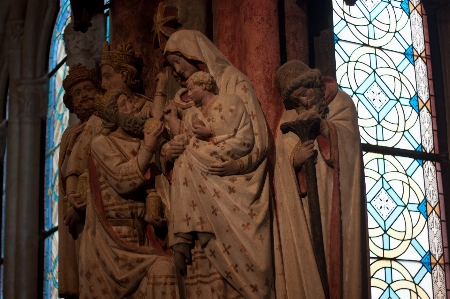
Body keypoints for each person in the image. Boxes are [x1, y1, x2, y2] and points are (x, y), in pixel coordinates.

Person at [162, 30, 273, 299]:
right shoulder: (183, 100)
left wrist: (234, 166)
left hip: (234, 185)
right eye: (171, 66)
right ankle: (184, 241)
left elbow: (256, 139)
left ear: (194, 54)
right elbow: (181, 140)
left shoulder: (235, 83)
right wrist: (168, 150)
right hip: (196, 191)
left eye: (178, 61)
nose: (176, 71)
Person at [273, 60, 369, 299]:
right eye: (297, 98)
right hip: (306, 204)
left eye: (306, 91)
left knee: (338, 252)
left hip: (337, 193)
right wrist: (296, 159)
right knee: (314, 254)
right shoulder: (287, 118)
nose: (306, 100)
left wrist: (325, 128)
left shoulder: (341, 103)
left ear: (315, 84)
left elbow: (350, 148)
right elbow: (282, 164)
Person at [77, 88, 180, 298]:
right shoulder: (101, 143)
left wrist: (158, 220)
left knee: (166, 271)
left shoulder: (142, 142)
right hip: (111, 244)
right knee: (163, 269)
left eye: (130, 102)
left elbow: (159, 186)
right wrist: (149, 146)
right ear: (113, 114)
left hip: (142, 237)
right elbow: (123, 180)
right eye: (124, 104)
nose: (132, 107)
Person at [58, 63, 103, 298]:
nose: (84, 95)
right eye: (77, 93)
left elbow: (101, 168)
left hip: (97, 207)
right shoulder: (70, 134)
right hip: (73, 212)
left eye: (88, 89)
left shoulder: (105, 124)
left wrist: (81, 201)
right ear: (71, 103)